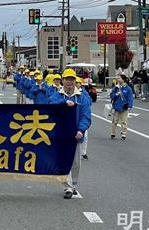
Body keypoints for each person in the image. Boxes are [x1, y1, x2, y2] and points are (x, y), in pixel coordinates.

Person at [48, 68, 91, 199]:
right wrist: (64, 103)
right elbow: (51, 104)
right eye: (67, 79)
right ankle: (67, 186)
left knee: (76, 163)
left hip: (75, 134)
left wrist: (81, 130)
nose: (69, 82)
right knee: (63, 160)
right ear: (63, 81)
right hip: (60, 133)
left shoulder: (82, 97)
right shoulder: (58, 95)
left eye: (71, 79)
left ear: (74, 81)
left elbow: (86, 116)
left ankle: (74, 184)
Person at [110, 74, 134, 140]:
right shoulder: (116, 88)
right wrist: (116, 94)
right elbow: (111, 96)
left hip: (124, 107)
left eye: (119, 78)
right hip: (116, 106)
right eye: (117, 78)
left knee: (124, 121)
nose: (118, 79)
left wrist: (130, 106)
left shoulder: (128, 88)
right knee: (114, 121)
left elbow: (130, 98)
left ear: (123, 79)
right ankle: (113, 133)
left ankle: (124, 133)